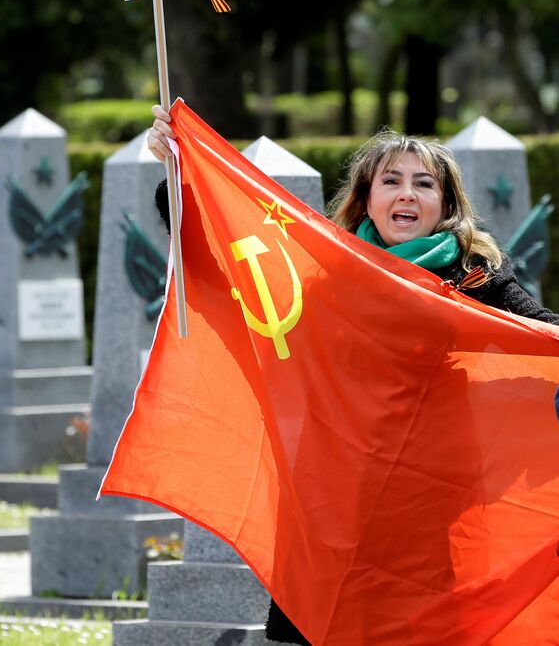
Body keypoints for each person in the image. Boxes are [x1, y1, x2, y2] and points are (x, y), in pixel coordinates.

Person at [147, 104, 559, 644]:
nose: (407, 193)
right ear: (367, 198)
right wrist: (177, 172)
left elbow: (544, 336)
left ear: (446, 205)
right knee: (325, 624)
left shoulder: (474, 275)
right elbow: (225, 249)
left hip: (427, 499)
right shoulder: (322, 266)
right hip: (331, 495)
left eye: (424, 184)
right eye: (391, 181)